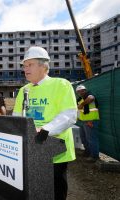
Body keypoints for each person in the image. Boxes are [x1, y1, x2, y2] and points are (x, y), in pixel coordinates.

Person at [12, 46, 77, 200]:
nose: (25, 69)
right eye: (24, 66)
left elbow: (69, 114)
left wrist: (45, 129)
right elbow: (16, 116)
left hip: (55, 151)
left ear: (43, 66)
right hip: (31, 150)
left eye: (30, 64)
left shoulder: (61, 84)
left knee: (55, 192)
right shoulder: (23, 90)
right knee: (34, 191)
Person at [76, 85, 100, 162]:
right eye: (79, 91)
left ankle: (94, 156)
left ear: (85, 90)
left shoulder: (89, 95)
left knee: (91, 139)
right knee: (83, 138)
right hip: (83, 121)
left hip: (91, 121)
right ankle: (87, 152)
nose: (81, 92)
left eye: (82, 90)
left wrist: (82, 104)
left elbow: (91, 98)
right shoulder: (80, 99)